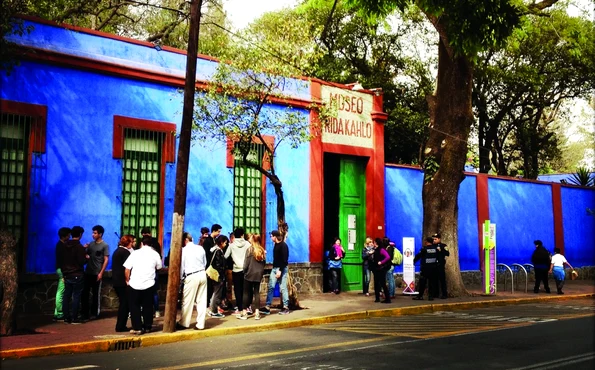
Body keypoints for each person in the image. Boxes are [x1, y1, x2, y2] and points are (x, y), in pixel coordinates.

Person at [124, 235, 162, 335]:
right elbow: (159, 267)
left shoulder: (135, 253)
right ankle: (148, 326)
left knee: (134, 306)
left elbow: (127, 269)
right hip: (149, 283)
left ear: (141, 243)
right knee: (148, 306)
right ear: (151, 244)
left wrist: (127, 280)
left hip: (134, 283)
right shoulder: (155, 254)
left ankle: (137, 327)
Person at [178, 232, 208, 330]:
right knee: (202, 301)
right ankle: (200, 324)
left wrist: (180, 278)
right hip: (202, 273)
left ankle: (184, 322)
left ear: (185, 240)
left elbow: (181, 267)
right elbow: (205, 262)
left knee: (187, 301)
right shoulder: (200, 248)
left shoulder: (184, 250)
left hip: (191, 275)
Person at [81, 225, 109, 320]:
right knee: (85, 293)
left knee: (96, 294)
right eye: (93, 233)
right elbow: (86, 255)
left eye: (95, 233)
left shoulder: (105, 245)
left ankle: (95, 313)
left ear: (100, 234)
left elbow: (106, 260)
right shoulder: (91, 244)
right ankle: (85, 313)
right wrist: (85, 251)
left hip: (97, 273)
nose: (93, 235)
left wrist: (101, 273)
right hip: (88, 272)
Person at [61, 226, 87, 324]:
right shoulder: (79, 247)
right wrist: (87, 258)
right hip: (77, 273)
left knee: (66, 295)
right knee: (76, 296)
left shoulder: (64, 245)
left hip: (67, 274)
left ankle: (66, 317)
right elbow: (82, 261)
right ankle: (74, 317)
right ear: (80, 235)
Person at [261, 230, 290, 315]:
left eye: (271, 236)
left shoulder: (283, 246)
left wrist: (280, 271)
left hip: (281, 269)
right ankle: (267, 306)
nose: (270, 238)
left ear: (275, 237)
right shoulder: (276, 245)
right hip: (274, 269)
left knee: (283, 287)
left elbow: (284, 260)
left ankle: (286, 307)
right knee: (271, 287)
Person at [238, 234, 266, 320]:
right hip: (258, 274)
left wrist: (244, 271)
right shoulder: (262, 250)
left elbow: (246, 264)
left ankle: (244, 312)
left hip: (249, 274)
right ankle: (257, 313)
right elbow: (264, 263)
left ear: (253, 240)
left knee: (246, 293)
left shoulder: (249, 250)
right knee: (256, 292)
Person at [225, 227, 251, 315]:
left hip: (236, 270)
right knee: (246, 290)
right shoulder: (247, 244)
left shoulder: (231, 245)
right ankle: (246, 307)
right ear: (242, 235)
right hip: (246, 269)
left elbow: (225, 256)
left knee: (237, 290)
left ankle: (240, 308)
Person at [112, 234, 134, 332]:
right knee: (125, 304)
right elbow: (128, 268)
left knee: (123, 303)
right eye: (132, 242)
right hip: (123, 282)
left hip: (117, 281)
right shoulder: (125, 252)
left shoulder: (117, 251)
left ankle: (120, 325)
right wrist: (128, 280)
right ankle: (120, 326)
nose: (133, 244)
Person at [141, 226, 162, 318]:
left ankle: (145, 310)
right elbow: (160, 264)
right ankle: (156, 311)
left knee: (144, 292)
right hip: (154, 271)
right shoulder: (155, 243)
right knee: (154, 292)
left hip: (143, 271)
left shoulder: (141, 245)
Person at [208, 234, 229, 319]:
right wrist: (222, 274)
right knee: (217, 293)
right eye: (225, 243)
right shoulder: (218, 251)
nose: (225, 244)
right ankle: (213, 311)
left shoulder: (214, 250)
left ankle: (213, 309)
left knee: (215, 293)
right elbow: (219, 264)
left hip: (215, 274)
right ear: (221, 242)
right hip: (218, 275)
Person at [53, 227, 71, 321]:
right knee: (61, 292)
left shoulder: (60, 244)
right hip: (61, 270)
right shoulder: (61, 245)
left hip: (60, 269)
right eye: (68, 235)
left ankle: (57, 313)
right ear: (65, 235)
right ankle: (60, 313)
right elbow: (61, 260)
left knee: (60, 291)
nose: (69, 236)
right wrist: (63, 274)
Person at [203, 224, 222, 307]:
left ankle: (211, 302)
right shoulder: (207, 241)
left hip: (214, 266)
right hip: (208, 266)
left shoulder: (215, 239)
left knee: (213, 286)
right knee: (209, 286)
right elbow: (206, 253)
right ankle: (207, 303)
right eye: (218, 231)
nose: (219, 233)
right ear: (214, 231)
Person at [370, 237, 391, 303]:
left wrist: (381, 262)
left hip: (381, 269)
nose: (373, 243)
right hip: (376, 269)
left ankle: (388, 299)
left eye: (374, 242)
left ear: (376, 243)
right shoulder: (375, 249)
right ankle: (377, 298)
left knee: (383, 284)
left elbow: (388, 257)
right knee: (376, 284)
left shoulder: (381, 249)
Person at [433, 233, 449, 299]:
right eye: (433, 239)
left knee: (442, 280)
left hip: (440, 265)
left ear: (439, 239)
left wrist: (441, 250)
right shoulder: (432, 246)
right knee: (434, 280)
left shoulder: (443, 246)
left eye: (435, 239)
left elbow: (447, 253)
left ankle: (444, 294)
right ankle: (436, 294)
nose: (434, 240)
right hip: (434, 265)